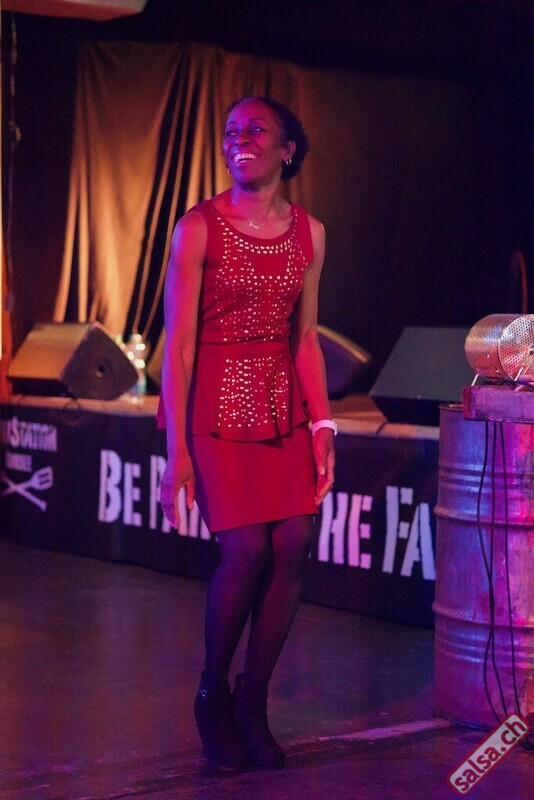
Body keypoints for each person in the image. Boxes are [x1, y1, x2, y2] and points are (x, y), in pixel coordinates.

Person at [158, 96, 335, 770]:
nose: (240, 139)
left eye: (256, 129)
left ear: (288, 149)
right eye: (232, 130)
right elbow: (178, 347)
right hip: (214, 406)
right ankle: (212, 693)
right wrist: (176, 451)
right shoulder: (197, 228)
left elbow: (307, 337)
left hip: (280, 403)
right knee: (245, 551)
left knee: (293, 543)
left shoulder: (310, 233)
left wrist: (322, 422)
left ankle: (251, 701)